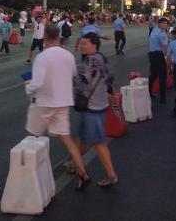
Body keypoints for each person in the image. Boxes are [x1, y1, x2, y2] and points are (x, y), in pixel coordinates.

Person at [25, 24, 91, 190]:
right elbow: (74, 75)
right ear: (59, 36)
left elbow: (37, 83)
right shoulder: (68, 55)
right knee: (67, 139)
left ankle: (28, 177)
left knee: (31, 138)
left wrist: (28, 87)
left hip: (43, 103)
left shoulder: (42, 57)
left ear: (45, 37)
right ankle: (82, 172)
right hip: (63, 102)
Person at [71, 33, 118, 187]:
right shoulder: (101, 57)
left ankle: (111, 175)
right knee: (83, 138)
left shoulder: (89, 61)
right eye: (81, 43)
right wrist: (111, 92)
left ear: (94, 45)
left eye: (85, 43)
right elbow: (110, 78)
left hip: (92, 107)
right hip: (100, 103)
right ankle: (75, 164)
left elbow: (81, 83)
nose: (81, 46)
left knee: (98, 142)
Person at [148, 17, 170, 103]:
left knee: (153, 75)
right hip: (158, 55)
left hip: (151, 54)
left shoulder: (154, 30)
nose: (165, 25)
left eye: (166, 23)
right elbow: (165, 47)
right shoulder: (162, 33)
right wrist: (168, 55)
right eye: (163, 23)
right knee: (163, 76)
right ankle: (163, 98)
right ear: (159, 24)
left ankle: (149, 92)